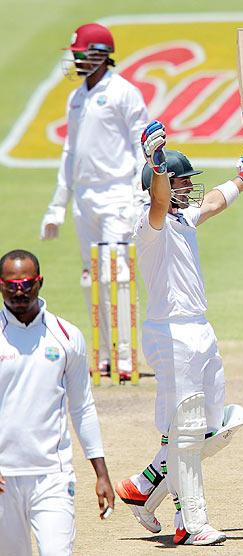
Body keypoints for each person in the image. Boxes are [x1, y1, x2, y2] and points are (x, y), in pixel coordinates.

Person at [113, 120, 243, 546]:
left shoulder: (184, 218)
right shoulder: (151, 223)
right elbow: (160, 200)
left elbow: (216, 201)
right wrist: (156, 161)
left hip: (199, 328)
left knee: (213, 425)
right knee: (185, 429)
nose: (188, 189)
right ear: (161, 183)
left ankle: (143, 486)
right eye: (181, 182)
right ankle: (191, 524)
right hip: (171, 333)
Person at [40, 22, 150, 379]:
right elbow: (70, 152)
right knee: (92, 277)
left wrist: (139, 193)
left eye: (78, 54)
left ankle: (125, 356)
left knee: (117, 275)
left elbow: (141, 145)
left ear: (98, 55)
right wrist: (57, 205)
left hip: (118, 193)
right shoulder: (77, 97)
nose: (73, 60)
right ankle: (101, 354)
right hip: (85, 198)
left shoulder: (123, 92)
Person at [0, 249, 114, 556]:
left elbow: (82, 407)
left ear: (40, 282)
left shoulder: (66, 336)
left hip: (53, 476)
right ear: (0, 286)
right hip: (3, 478)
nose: (19, 291)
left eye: (26, 283)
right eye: (11, 285)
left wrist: (101, 473)